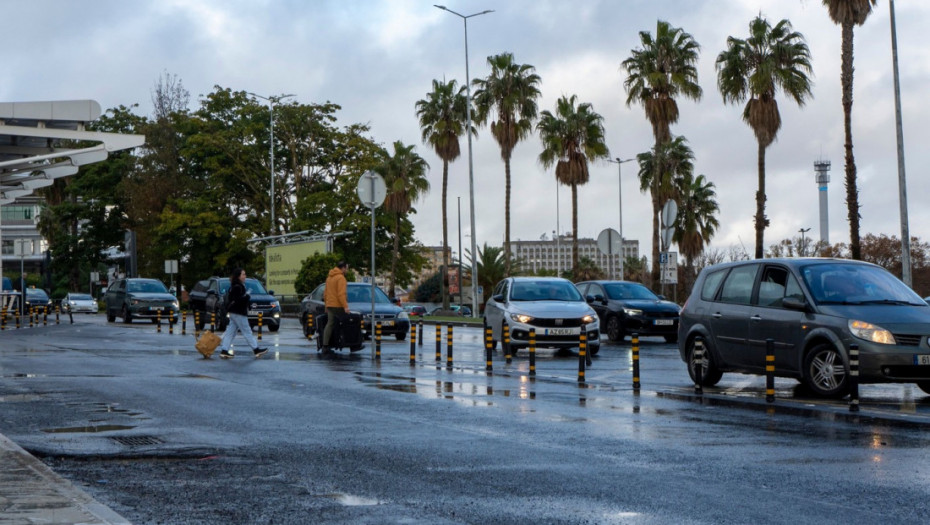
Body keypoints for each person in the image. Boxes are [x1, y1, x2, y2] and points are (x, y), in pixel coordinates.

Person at [218, 268, 267, 359]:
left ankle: (224, 351)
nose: (245, 276)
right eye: (243, 274)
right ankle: (256, 349)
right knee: (247, 331)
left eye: (245, 274)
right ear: (238, 276)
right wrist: (247, 297)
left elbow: (236, 299)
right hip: (239, 313)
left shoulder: (235, 286)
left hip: (234, 312)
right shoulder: (238, 287)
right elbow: (238, 300)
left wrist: (247, 302)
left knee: (230, 332)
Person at [322, 261, 351, 352]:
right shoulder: (341, 278)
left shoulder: (329, 278)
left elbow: (325, 294)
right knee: (347, 322)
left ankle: (325, 345)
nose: (347, 270)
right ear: (342, 268)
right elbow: (341, 294)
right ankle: (347, 342)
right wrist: (346, 307)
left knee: (330, 324)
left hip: (330, 305)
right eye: (346, 268)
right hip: (338, 305)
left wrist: (326, 306)